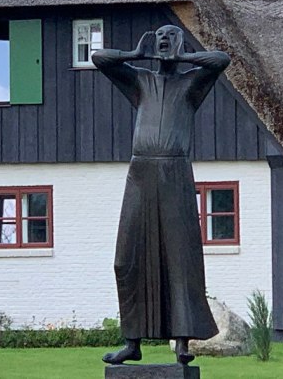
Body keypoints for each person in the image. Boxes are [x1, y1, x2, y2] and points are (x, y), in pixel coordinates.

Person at [92, 25, 230, 366]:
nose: (165, 40)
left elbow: (221, 60)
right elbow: (99, 58)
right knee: (127, 257)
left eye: (172, 35)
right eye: (161, 36)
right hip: (141, 173)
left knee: (179, 258)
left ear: (181, 43)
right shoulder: (141, 82)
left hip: (175, 172)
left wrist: (182, 57)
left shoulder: (191, 84)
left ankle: (182, 342)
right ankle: (132, 342)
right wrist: (135, 54)